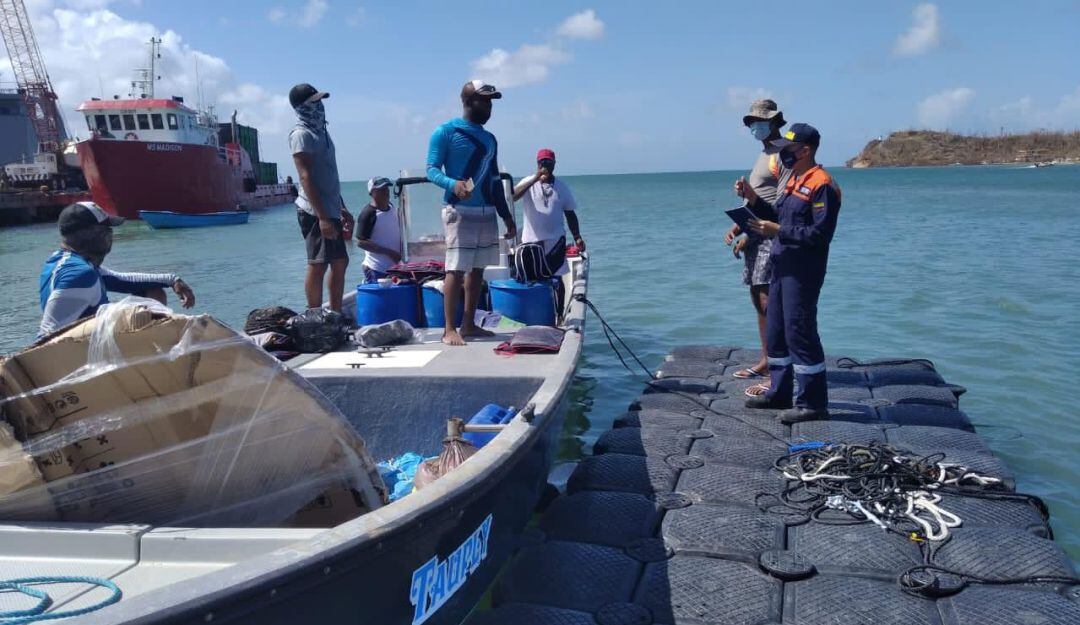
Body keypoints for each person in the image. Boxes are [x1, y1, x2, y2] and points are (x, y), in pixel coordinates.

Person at [735, 123, 841, 424]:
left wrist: (779, 230)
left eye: (789, 150)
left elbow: (820, 234)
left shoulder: (822, 184)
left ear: (805, 150)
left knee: (800, 331)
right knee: (777, 330)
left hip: (803, 270)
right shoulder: (795, 180)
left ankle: (813, 402)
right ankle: (780, 391)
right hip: (781, 265)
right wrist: (753, 200)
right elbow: (778, 216)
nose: (783, 155)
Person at [426, 80, 517, 346]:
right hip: (459, 211)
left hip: (486, 211)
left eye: (491, 103)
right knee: (454, 269)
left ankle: (469, 324)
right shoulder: (445, 132)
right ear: (468, 102)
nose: (489, 107)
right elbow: (432, 169)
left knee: (477, 270)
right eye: (484, 101)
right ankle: (448, 329)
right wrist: (452, 184)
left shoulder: (490, 140)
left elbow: (493, 180)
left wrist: (507, 216)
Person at [37, 202, 195, 340]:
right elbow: (47, 336)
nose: (111, 235)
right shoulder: (79, 275)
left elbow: (121, 280)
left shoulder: (68, 262)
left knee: (152, 291)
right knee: (151, 306)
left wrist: (172, 280)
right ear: (90, 233)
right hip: (79, 355)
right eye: (107, 229)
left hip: (91, 343)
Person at [724, 99, 792, 396]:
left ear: (775, 121)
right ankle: (767, 359)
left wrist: (752, 201)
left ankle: (779, 366)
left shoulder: (783, 154)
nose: (755, 127)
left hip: (771, 234)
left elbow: (781, 203)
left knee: (769, 302)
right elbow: (758, 197)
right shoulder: (764, 154)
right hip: (755, 235)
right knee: (757, 300)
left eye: (760, 121)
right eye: (752, 122)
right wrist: (740, 226)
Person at [289, 83, 353, 312]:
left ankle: (335, 313)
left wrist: (341, 207)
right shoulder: (301, 134)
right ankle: (314, 315)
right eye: (314, 102)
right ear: (302, 107)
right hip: (314, 210)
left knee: (340, 261)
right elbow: (305, 177)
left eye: (320, 101)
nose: (320, 106)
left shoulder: (321, 132)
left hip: (330, 207)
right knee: (318, 264)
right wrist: (323, 217)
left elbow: (328, 173)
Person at [512, 148, 585, 312]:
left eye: (548, 163)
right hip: (531, 243)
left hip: (555, 242)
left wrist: (578, 236)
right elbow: (513, 196)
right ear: (537, 164)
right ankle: (535, 312)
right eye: (542, 162)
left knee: (557, 280)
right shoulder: (529, 182)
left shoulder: (562, 187)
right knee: (532, 280)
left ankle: (559, 314)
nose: (545, 165)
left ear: (554, 165)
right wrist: (536, 178)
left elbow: (570, 214)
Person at [356, 176, 402, 284]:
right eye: (381, 189)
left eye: (386, 188)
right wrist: (389, 252)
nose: (386, 192)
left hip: (394, 268)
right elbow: (361, 242)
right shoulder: (368, 213)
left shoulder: (391, 207)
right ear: (372, 192)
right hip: (376, 268)